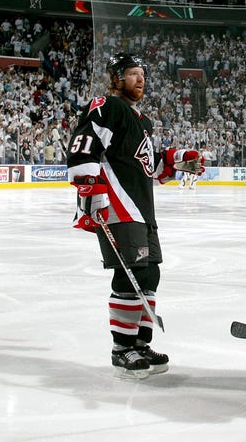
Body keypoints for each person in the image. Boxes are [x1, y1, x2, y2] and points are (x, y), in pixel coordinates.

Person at [67, 53, 204, 379]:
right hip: (117, 204)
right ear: (116, 79)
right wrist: (91, 188)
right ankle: (122, 348)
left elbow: (148, 165)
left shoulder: (141, 121)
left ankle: (140, 344)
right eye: (132, 73)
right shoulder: (108, 106)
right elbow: (83, 144)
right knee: (130, 275)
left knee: (149, 275)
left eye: (142, 74)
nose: (139, 79)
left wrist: (178, 160)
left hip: (142, 209)